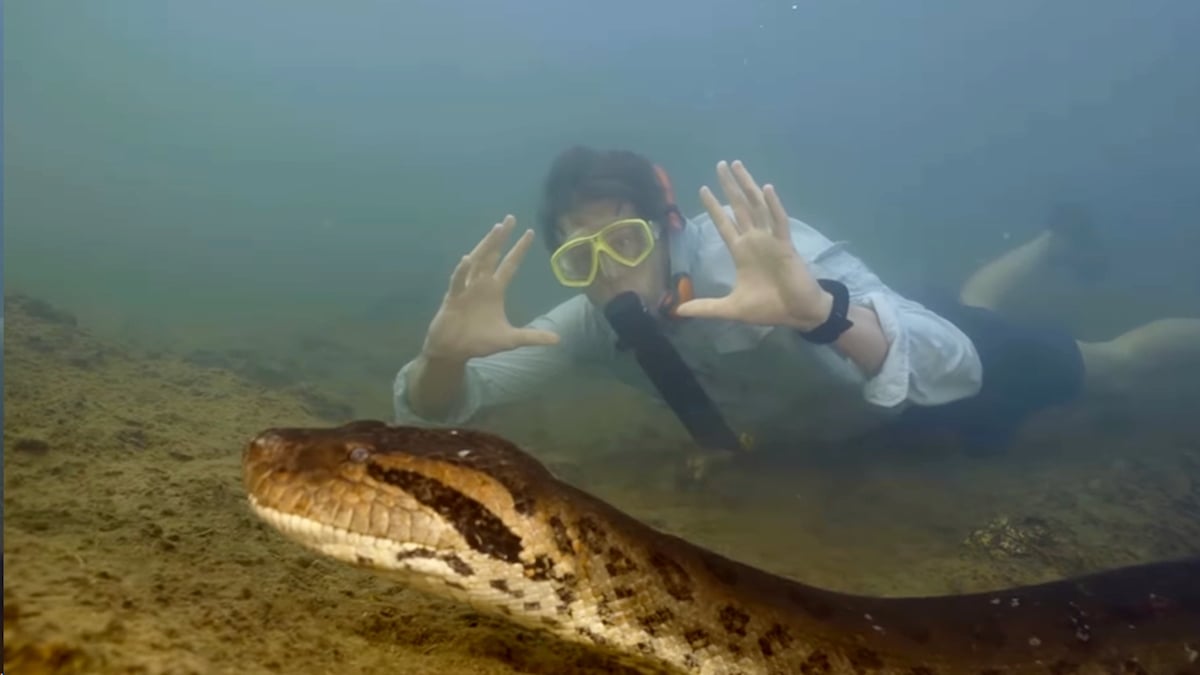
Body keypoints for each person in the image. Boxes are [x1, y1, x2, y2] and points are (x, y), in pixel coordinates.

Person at [393, 146, 1200, 460]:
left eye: (627, 244)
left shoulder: (755, 261)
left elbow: (949, 355)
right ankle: (1057, 246)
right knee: (963, 296)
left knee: (1111, 365)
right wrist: (442, 358)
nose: (608, 277)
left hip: (916, 362)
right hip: (867, 412)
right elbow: (446, 406)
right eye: (581, 256)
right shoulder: (586, 325)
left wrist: (823, 313)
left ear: (669, 230)